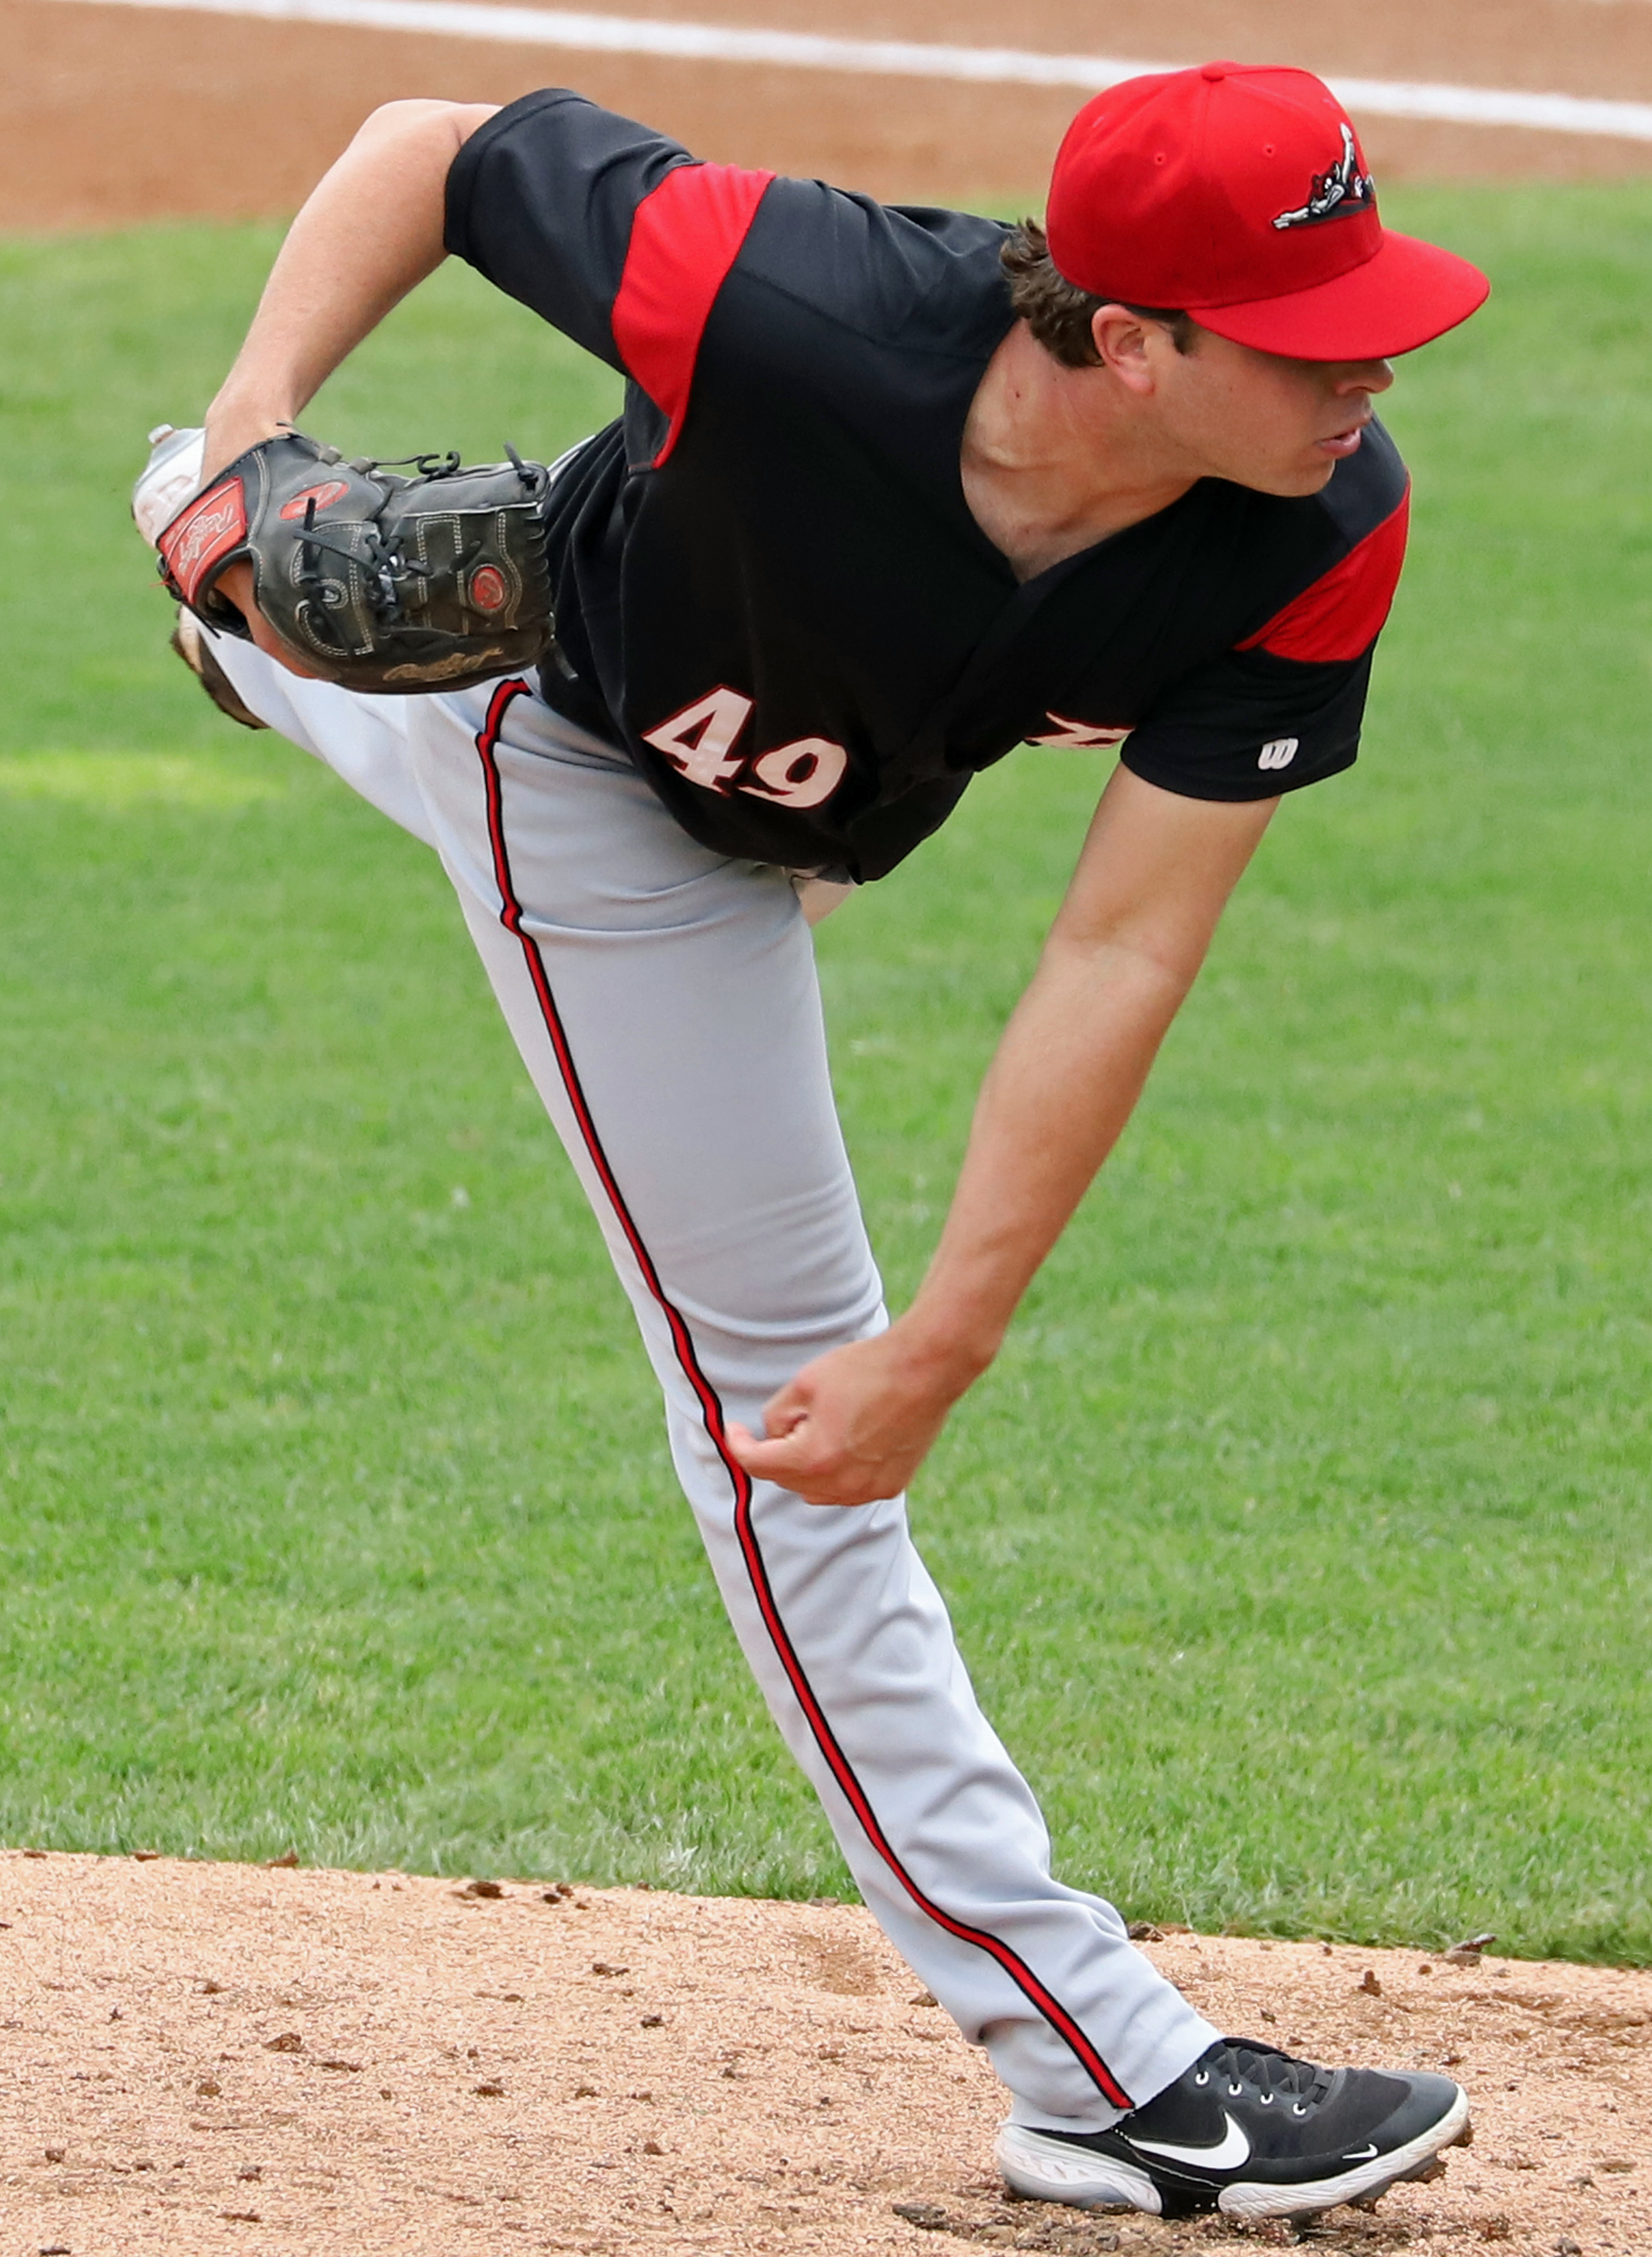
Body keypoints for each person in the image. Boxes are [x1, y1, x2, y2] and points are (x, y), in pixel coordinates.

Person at [134, 60, 1488, 2220]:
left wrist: (965, 1336)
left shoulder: (1323, 524)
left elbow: (1119, 954)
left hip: (787, 795)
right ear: (1130, 340)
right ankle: (1099, 2069)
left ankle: (271, 641)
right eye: (1315, 336)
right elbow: (432, 147)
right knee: (784, 1415)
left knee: (771, 870)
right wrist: (251, 444)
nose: (1376, 369)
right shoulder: (791, 300)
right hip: (572, 762)